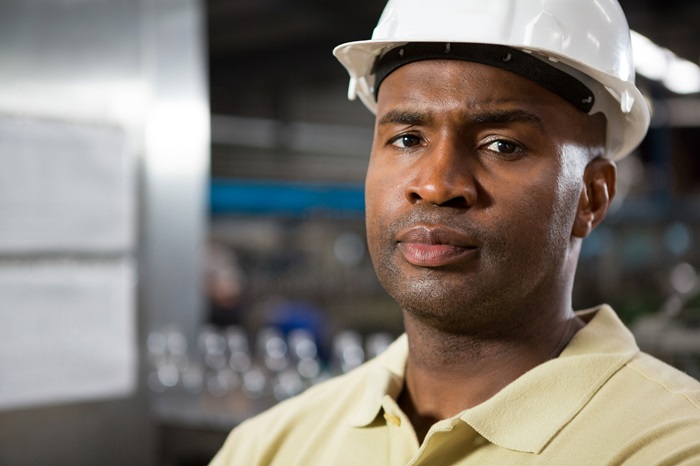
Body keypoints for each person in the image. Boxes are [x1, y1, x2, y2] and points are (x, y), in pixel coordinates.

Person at [210, 0, 700, 464]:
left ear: (592, 197)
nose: (436, 184)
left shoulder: (675, 445)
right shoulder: (269, 447)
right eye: (406, 138)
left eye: (502, 145)